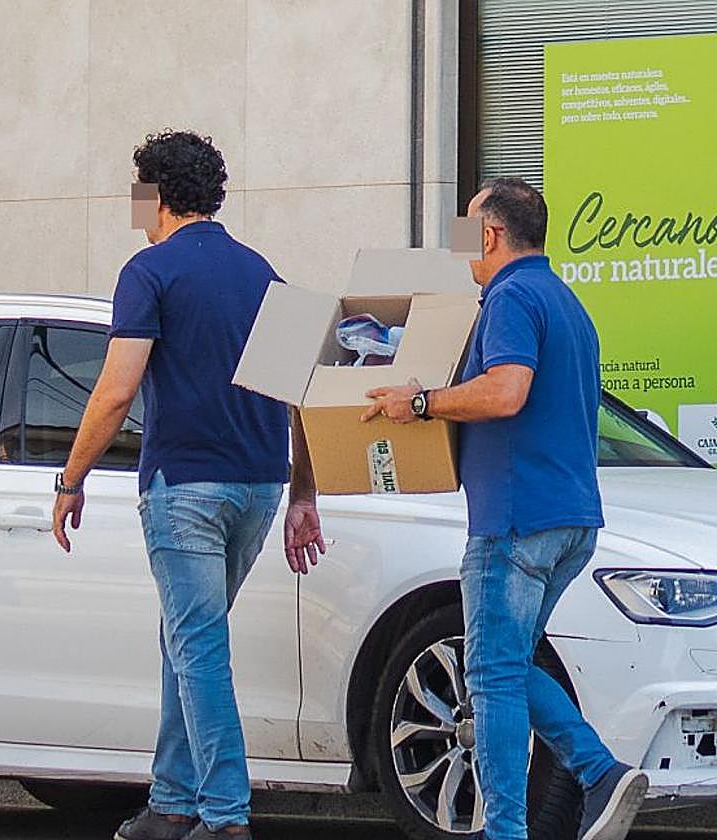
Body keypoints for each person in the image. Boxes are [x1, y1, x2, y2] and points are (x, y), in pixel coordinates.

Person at [50, 130, 326, 840]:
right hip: (261, 486)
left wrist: (71, 476)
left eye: (139, 192)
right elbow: (299, 392)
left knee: (197, 644)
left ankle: (226, 816)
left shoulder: (149, 271)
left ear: (156, 195)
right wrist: (304, 493)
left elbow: (116, 391)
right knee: (187, 635)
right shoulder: (266, 273)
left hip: (186, 490)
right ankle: (171, 802)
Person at [363, 178, 648, 840]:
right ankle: (600, 772)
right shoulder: (565, 301)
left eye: (468, 229)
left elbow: (507, 390)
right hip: (570, 517)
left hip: (515, 520)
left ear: (489, 234)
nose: (465, 243)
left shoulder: (512, 296)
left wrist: (424, 403)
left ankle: (509, 829)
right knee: (508, 662)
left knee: (489, 675)